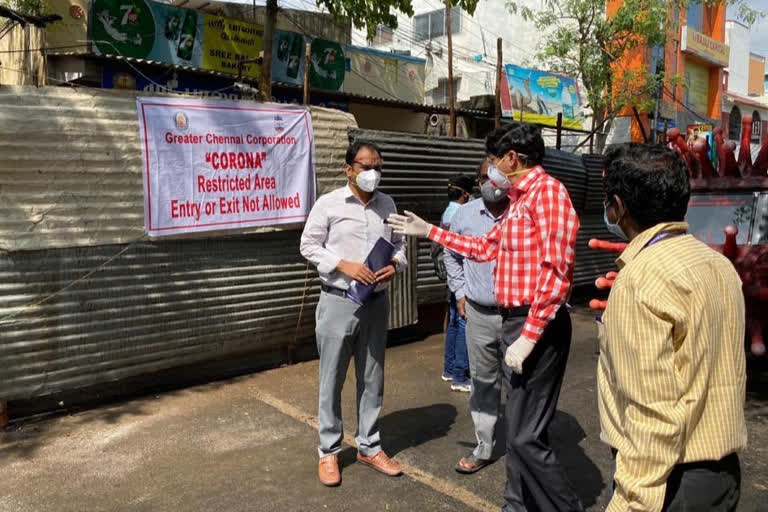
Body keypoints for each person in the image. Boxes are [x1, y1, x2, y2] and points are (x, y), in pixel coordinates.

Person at [388, 122, 584, 512]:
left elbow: (556, 269)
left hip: (537, 325)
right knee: (518, 434)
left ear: (512, 158)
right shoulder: (518, 202)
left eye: (494, 161)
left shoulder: (548, 194)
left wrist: (529, 335)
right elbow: (483, 247)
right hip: (518, 322)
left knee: (527, 437)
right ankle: (516, 505)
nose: (491, 171)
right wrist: (430, 231)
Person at [599, 143, 746, 512]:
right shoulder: (718, 265)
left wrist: (629, 503)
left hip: (670, 482)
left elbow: (653, 414)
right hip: (721, 475)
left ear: (618, 207)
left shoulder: (639, 279)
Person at [299, 140, 407, 487]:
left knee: (372, 378)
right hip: (337, 301)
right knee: (331, 378)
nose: (373, 173)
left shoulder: (387, 203)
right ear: (349, 169)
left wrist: (395, 265)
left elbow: (401, 246)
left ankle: (369, 445)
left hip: (376, 303)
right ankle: (329, 451)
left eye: (379, 167)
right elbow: (308, 245)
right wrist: (343, 265)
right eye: (366, 166)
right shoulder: (328, 204)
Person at [444, 159, 510, 473]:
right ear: (476, 180)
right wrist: (459, 292)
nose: (491, 182)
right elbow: (451, 253)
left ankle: (528, 447)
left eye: (498, 176)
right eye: (485, 177)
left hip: (519, 317)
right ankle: (484, 447)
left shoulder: (523, 212)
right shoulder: (465, 216)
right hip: (479, 313)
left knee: (521, 384)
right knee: (483, 383)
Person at [439, 173, 475, 392]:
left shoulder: (448, 211)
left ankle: (450, 368)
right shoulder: (461, 213)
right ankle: (461, 376)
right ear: (465, 193)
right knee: (463, 322)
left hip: (453, 277)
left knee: (454, 320)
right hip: (462, 276)